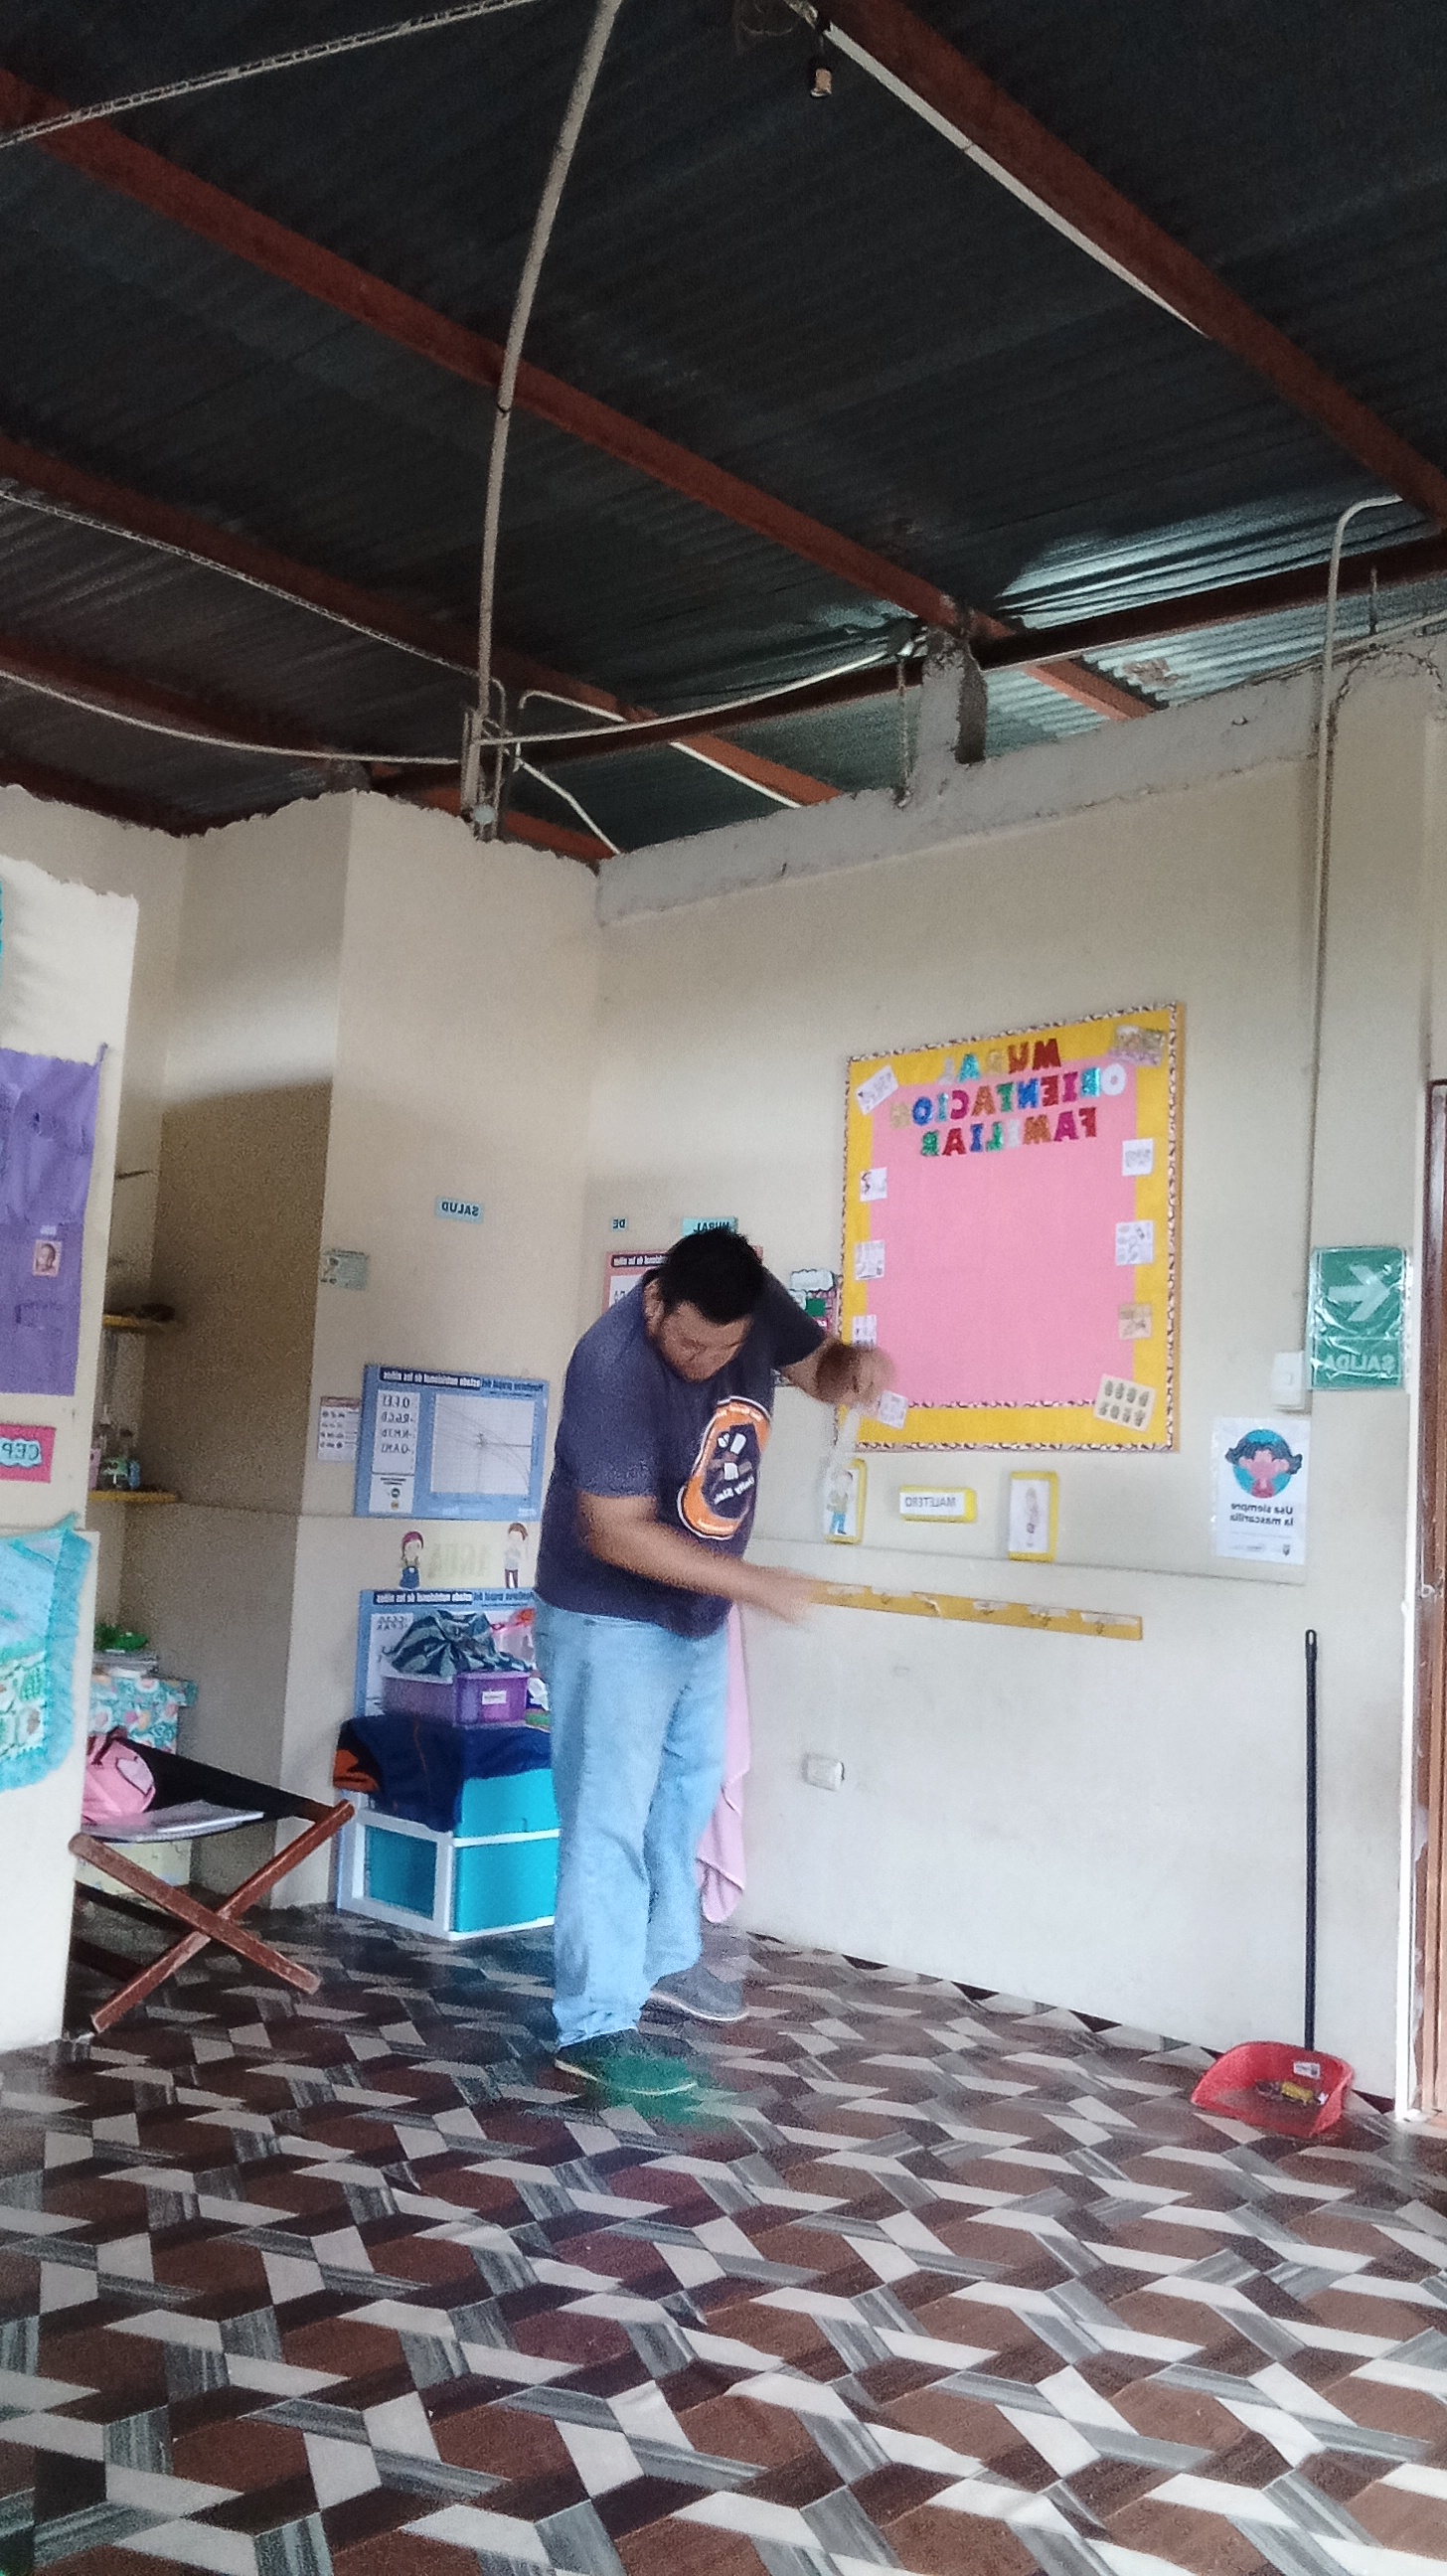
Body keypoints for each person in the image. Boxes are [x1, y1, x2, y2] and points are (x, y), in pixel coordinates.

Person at [534, 1227, 893, 2101]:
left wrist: (855, 1368)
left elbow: (820, 1371)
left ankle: (660, 1962)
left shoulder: (754, 1307)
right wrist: (753, 1583)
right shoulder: (611, 1364)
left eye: (725, 1350)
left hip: (695, 1614)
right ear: (656, 1300)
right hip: (607, 1617)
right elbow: (614, 1532)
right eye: (691, 1343)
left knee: (689, 1792)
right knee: (607, 1819)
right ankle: (595, 2024)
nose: (705, 1363)